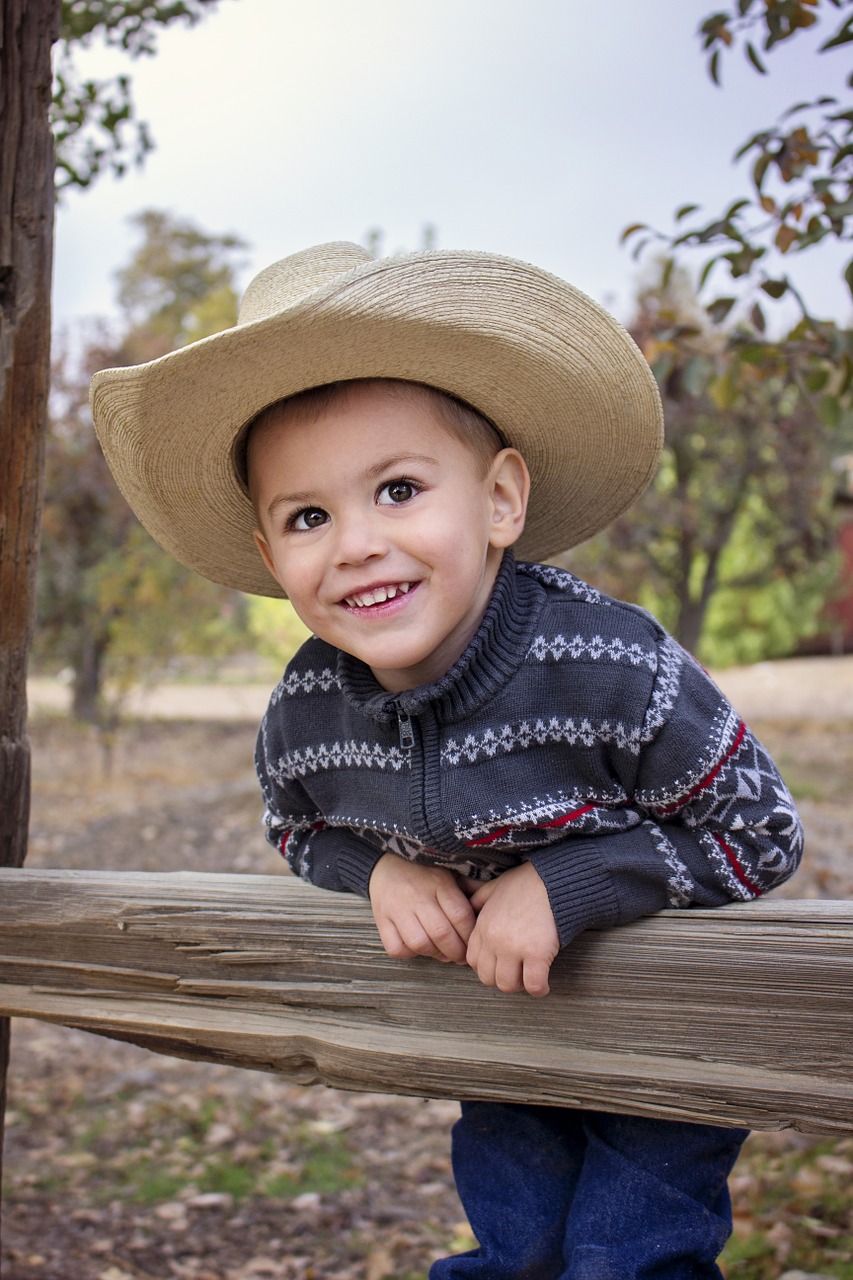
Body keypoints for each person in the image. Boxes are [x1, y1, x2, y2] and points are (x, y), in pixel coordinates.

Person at [91, 241, 804, 1279]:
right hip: (500, 1027)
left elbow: (763, 828)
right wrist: (375, 870)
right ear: (267, 553)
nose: (356, 543)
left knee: (621, 1257)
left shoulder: (606, 663)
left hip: (663, 1031)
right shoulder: (306, 707)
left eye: (398, 489)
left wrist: (571, 881)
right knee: (516, 1251)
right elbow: (298, 823)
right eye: (308, 516)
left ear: (501, 499)